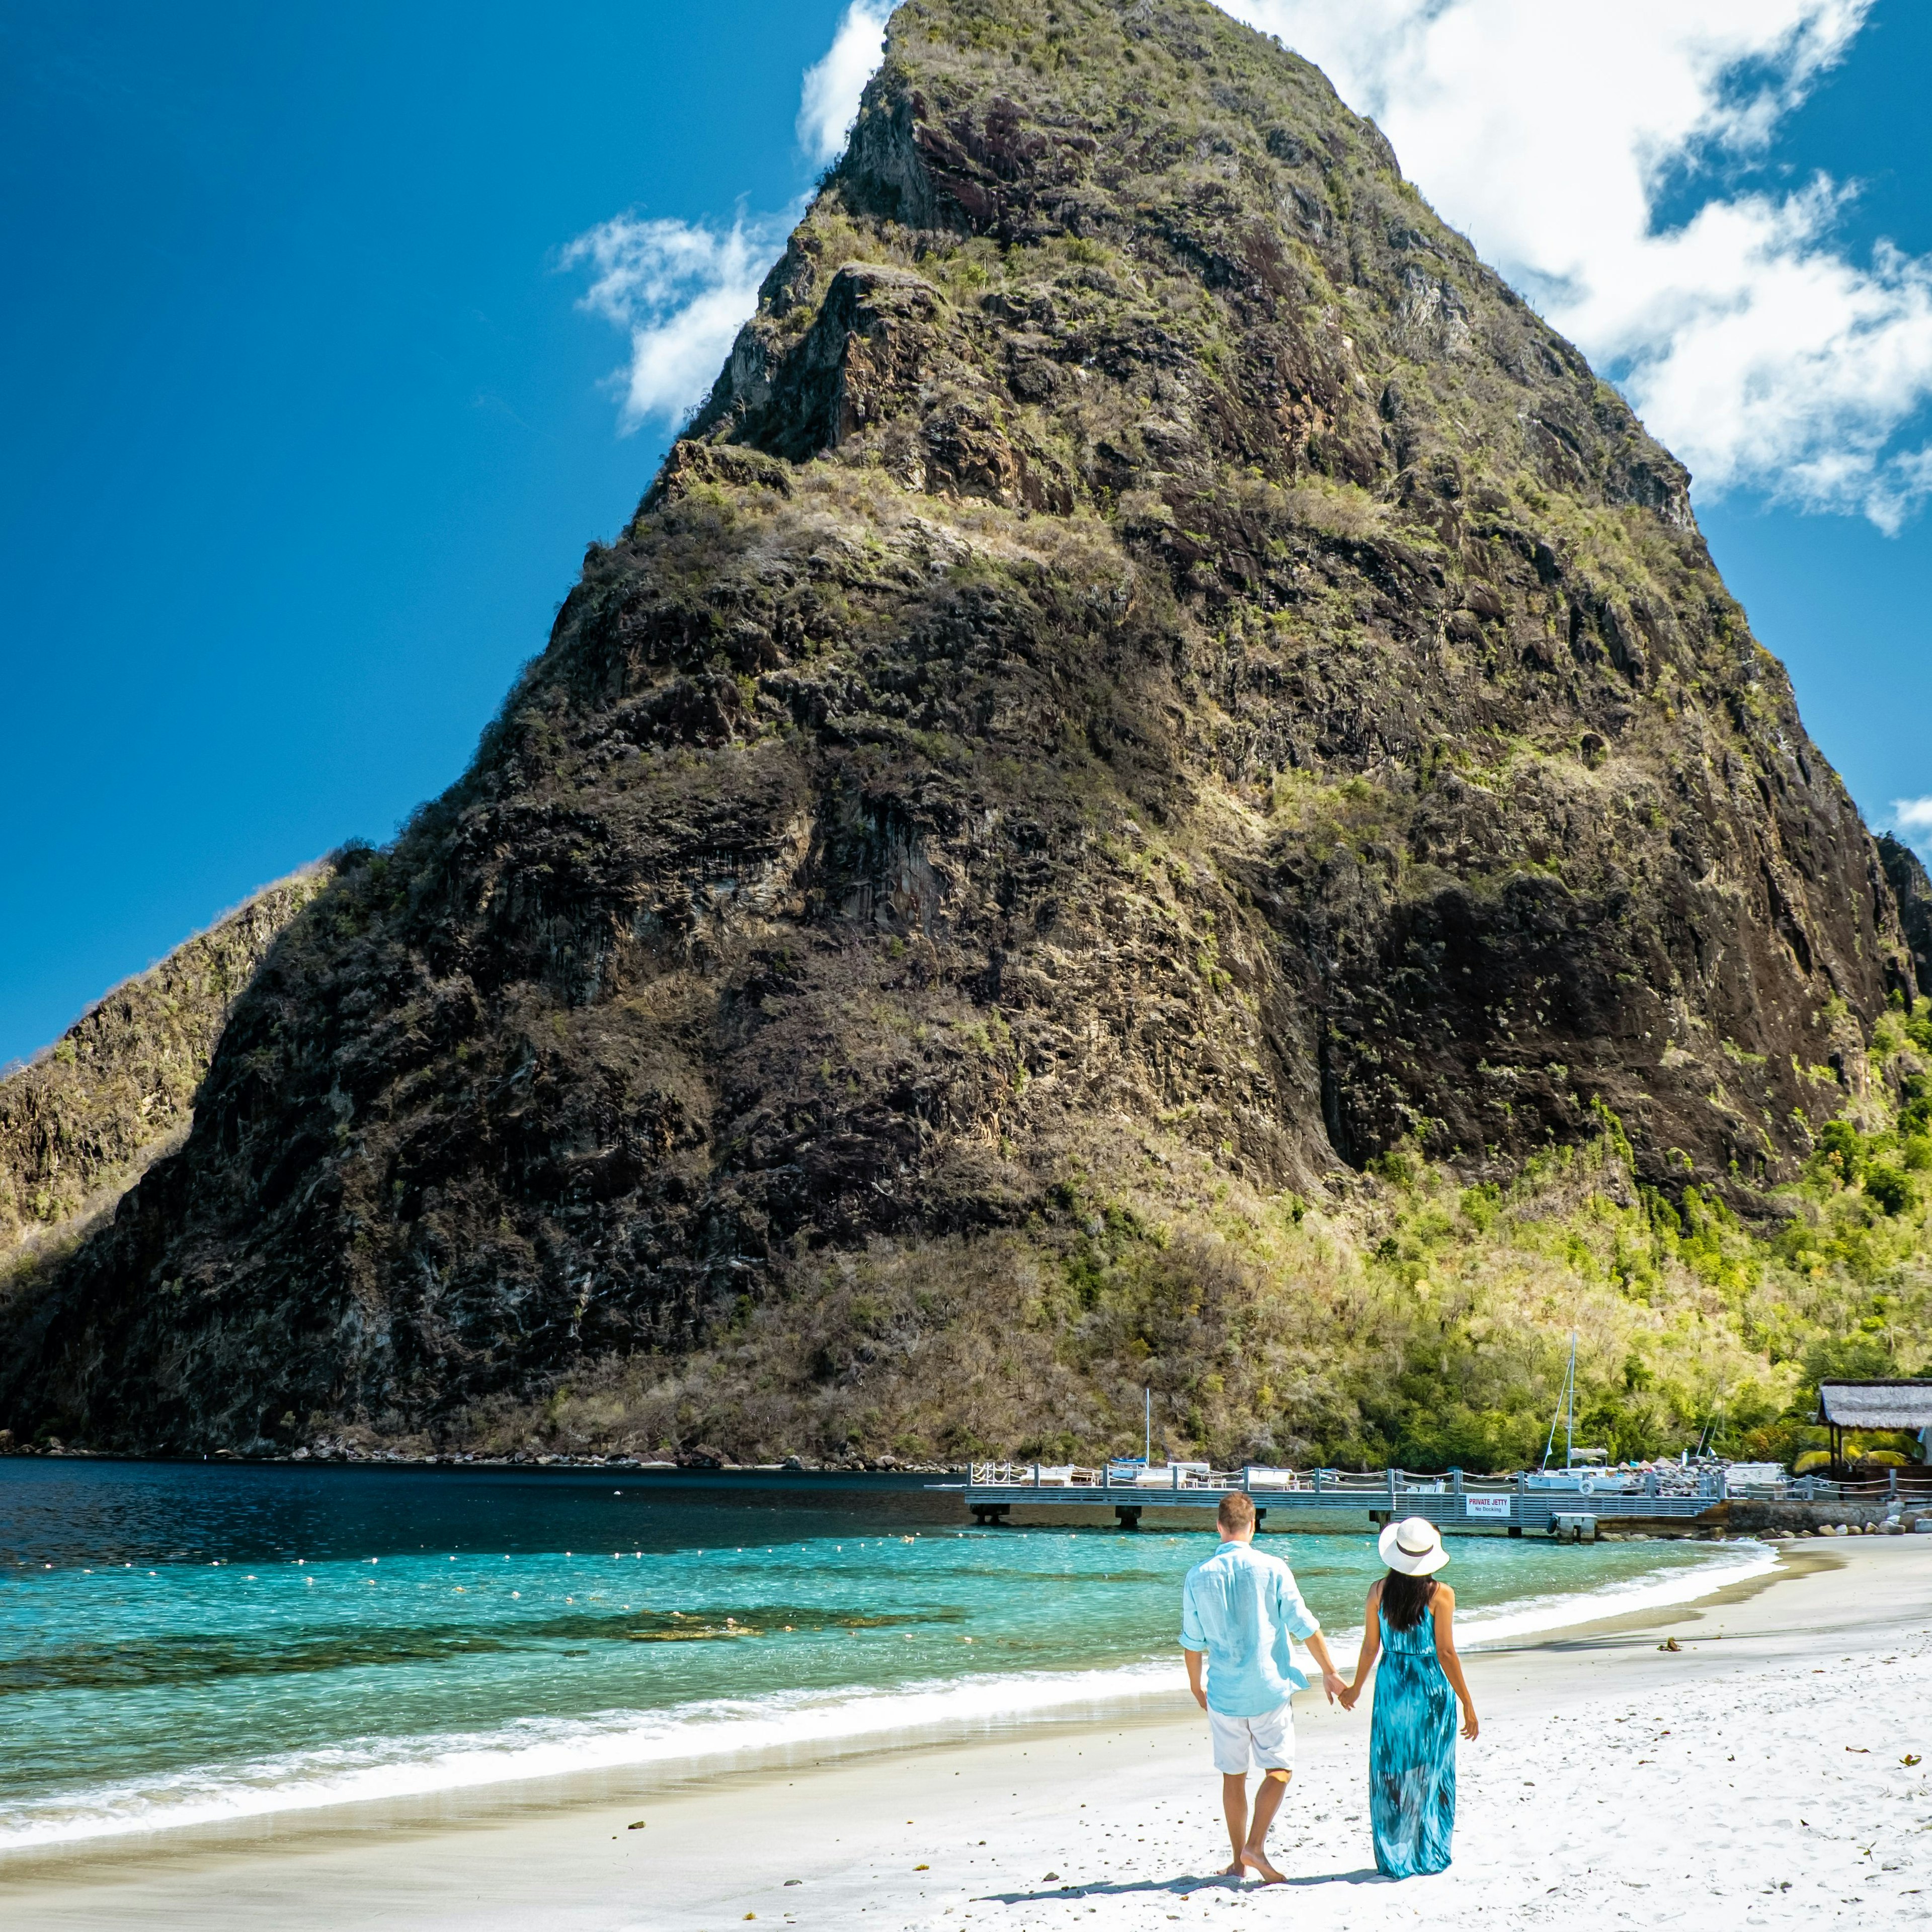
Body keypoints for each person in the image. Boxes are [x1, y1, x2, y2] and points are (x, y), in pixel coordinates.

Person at [1180, 1490, 1347, 1883]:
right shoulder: (1273, 1568)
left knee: (1233, 1777)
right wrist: (1330, 1671)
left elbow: (1192, 1641)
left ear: (1219, 1526)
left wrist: (1195, 1686)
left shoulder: (1197, 1576)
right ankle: (1254, 1847)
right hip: (1269, 1689)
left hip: (1223, 1693)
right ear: (1253, 1526)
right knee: (1279, 1770)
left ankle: (1240, 1862)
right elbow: (1303, 1624)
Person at [1337, 1515, 1478, 1878]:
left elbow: (1371, 1646)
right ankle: (1427, 1852)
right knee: (1430, 1769)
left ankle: (1394, 1856)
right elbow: (1446, 1652)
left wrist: (1355, 1688)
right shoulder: (1441, 1595)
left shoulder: (1377, 1591)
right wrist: (1467, 1702)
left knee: (1392, 1769)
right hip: (1430, 1686)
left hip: (1392, 1686)